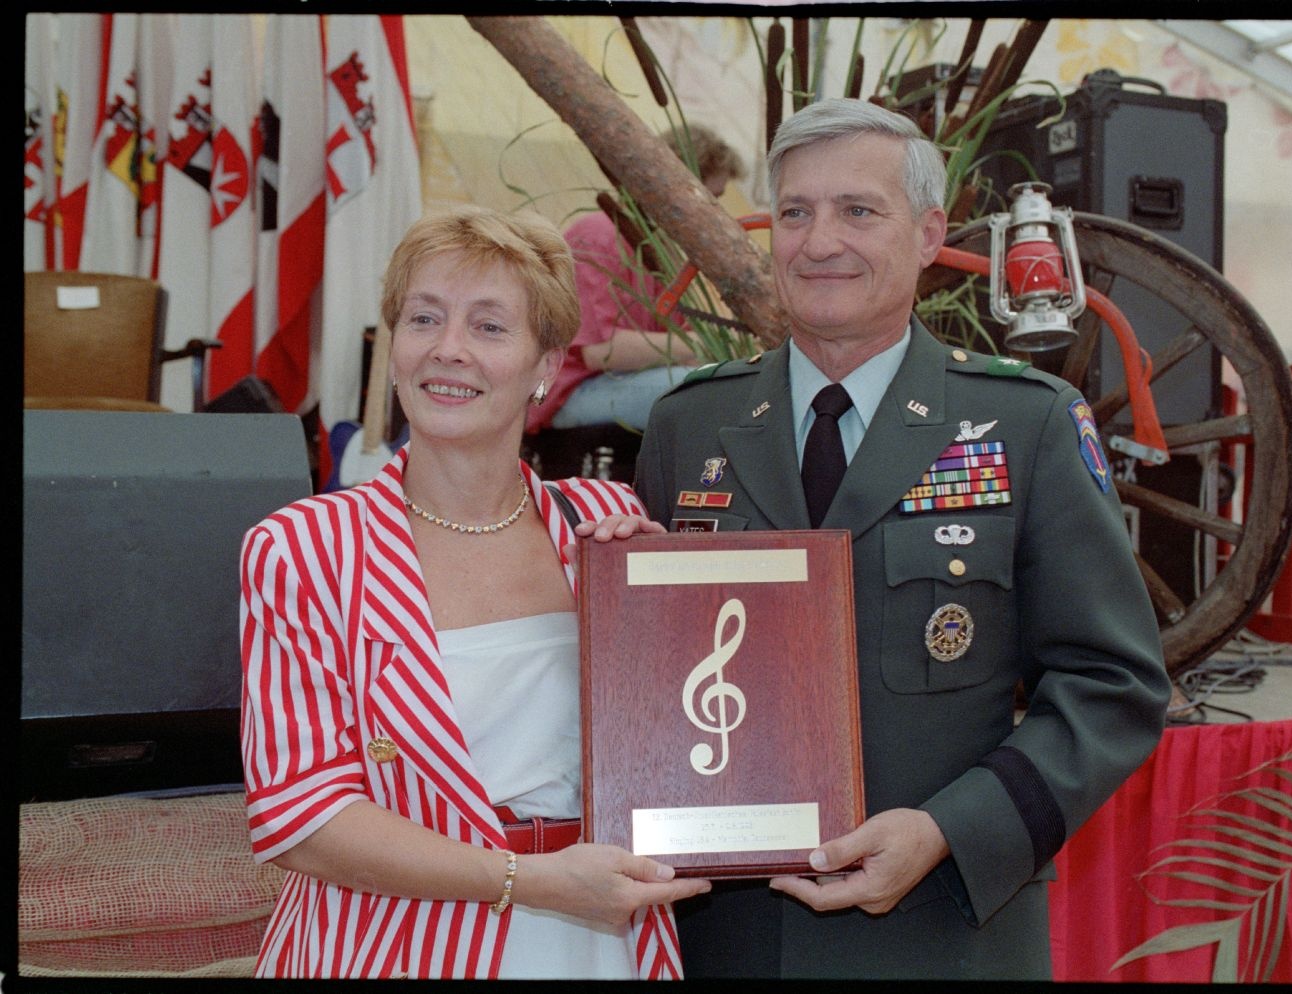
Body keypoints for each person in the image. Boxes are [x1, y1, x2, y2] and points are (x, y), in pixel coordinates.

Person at [628, 98, 1172, 978]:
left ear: (927, 234)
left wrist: (949, 832)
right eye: (796, 212)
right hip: (727, 941)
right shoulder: (693, 423)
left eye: (858, 210)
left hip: (939, 932)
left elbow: (1113, 683)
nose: (819, 240)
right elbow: (650, 673)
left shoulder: (1021, 425)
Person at [238, 205, 710, 979]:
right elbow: (304, 819)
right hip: (389, 945)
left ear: (546, 367)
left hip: (600, 948)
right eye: (424, 319)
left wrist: (670, 620)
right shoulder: (302, 548)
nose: (448, 350)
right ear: (395, 349)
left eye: (489, 328)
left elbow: (685, 742)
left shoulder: (606, 524)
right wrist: (527, 881)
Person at [527, 123, 746, 435]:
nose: (714, 210)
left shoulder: (663, 249)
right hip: (571, 391)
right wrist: (698, 343)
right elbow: (601, 351)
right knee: (707, 393)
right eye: (710, 197)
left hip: (621, 383)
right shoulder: (599, 236)